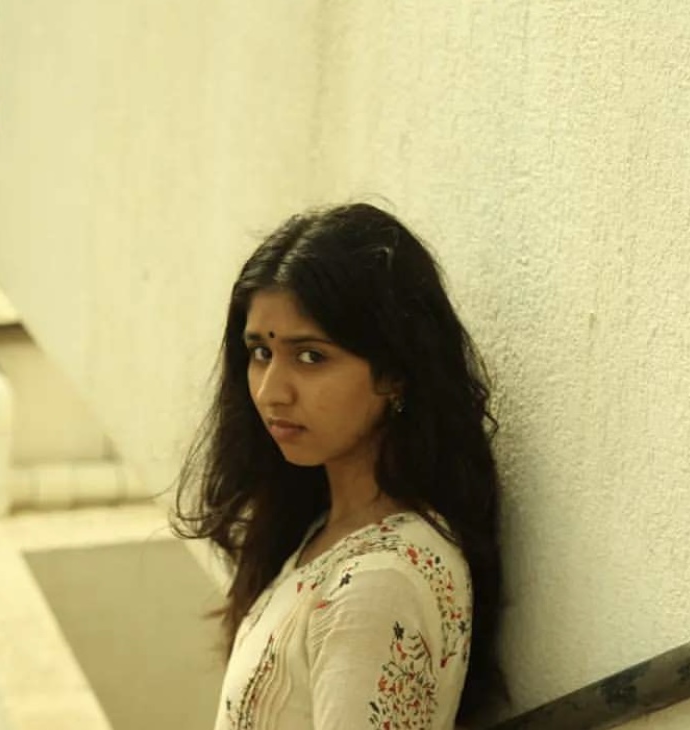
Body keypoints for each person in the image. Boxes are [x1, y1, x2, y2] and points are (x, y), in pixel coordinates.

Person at [173, 203, 505, 729]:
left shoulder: (379, 583)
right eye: (260, 352)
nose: (271, 391)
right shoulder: (322, 532)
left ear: (395, 373)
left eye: (310, 356)